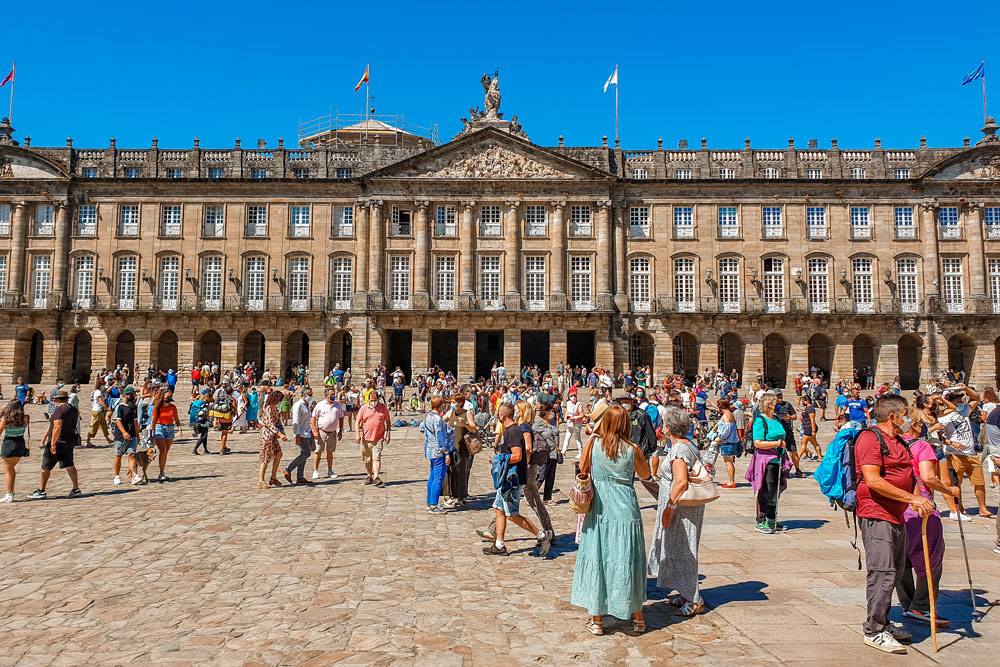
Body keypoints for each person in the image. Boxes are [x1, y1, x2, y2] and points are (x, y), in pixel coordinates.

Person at [855, 394, 933, 654]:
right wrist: (911, 498)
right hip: (876, 513)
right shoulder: (869, 438)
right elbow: (872, 480)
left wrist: (919, 500)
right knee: (883, 571)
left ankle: (884, 621)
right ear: (893, 416)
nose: (908, 418)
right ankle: (873, 630)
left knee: (896, 570)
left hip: (897, 514)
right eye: (906, 414)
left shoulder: (898, 440)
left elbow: (908, 475)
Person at [570, 403, 652, 635]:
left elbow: (583, 468)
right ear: (626, 424)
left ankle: (596, 620)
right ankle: (637, 617)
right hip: (625, 508)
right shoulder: (633, 449)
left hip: (599, 509)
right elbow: (646, 475)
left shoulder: (594, 444)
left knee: (599, 556)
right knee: (628, 559)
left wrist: (595, 435)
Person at [896, 405, 957, 627]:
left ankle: (907, 602)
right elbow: (929, 478)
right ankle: (921, 607)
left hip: (895, 505)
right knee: (932, 557)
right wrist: (950, 491)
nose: (923, 427)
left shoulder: (891, 444)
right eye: (921, 423)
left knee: (900, 557)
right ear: (915, 424)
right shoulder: (921, 445)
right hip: (921, 508)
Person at [649, 406, 707, 616]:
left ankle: (694, 600)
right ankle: (685, 592)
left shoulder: (680, 450)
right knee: (678, 549)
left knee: (685, 551)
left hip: (681, 510)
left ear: (668, 428)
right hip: (682, 508)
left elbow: (681, 482)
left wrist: (668, 508)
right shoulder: (685, 445)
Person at [937, 385, 993, 518]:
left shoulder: (964, 410)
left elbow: (976, 398)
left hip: (971, 453)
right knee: (957, 483)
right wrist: (951, 443)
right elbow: (939, 437)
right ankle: (959, 508)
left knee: (980, 482)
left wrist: (966, 389)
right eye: (958, 400)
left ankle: (983, 508)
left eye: (962, 399)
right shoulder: (942, 417)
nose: (962, 402)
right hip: (955, 454)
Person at [747, 393, 791, 534]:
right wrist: (776, 443)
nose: (777, 405)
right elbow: (758, 442)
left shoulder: (777, 419)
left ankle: (772, 518)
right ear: (768, 404)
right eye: (774, 403)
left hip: (779, 458)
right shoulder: (760, 421)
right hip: (766, 460)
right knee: (766, 489)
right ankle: (763, 518)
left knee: (776, 489)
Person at [517, 400, 555, 556]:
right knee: (507, 501)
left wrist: (522, 467)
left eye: (518, 409)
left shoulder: (525, 427)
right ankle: (493, 530)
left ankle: (548, 533)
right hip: (527, 468)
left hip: (527, 468)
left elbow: (528, 448)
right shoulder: (524, 425)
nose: (515, 411)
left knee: (533, 501)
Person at [28, 390, 81, 499]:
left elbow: (57, 427)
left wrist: (52, 444)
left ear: (56, 400)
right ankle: (76, 488)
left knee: (46, 466)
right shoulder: (73, 409)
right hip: (69, 440)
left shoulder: (59, 411)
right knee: (69, 464)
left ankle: (41, 490)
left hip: (58, 442)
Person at [420, 396, 454, 515]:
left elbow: (421, 428)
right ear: (440, 406)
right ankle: (434, 504)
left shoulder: (428, 417)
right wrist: (446, 453)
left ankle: (429, 502)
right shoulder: (438, 419)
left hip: (430, 449)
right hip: (438, 451)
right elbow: (440, 437)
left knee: (432, 477)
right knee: (438, 478)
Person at [356, 390, 391, 487]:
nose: (373, 402)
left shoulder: (383, 408)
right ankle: (369, 476)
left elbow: (388, 421)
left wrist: (388, 434)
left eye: (375, 400)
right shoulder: (364, 408)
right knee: (367, 459)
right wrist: (357, 434)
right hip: (366, 438)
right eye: (371, 400)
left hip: (378, 438)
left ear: (378, 399)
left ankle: (376, 477)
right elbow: (357, 421)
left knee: (376, 457)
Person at [283, 387, 315, 485]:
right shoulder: (298, 405)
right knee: (306, 453)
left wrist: (312, 432)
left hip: (307, 432)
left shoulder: (306, 405)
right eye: (309, 394)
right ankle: (288, 469)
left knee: (307, 451)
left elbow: (307, 420)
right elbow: (295, 422)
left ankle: (300, 477)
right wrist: (297, 435)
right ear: (303, 394)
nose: (311, 396)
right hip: (300, 433)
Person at [149, 388, 182, 482]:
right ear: (162, 397)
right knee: (162, 450)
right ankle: (161, 472)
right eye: (168, 396)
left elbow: (176, 419)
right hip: (159, 428)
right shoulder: (157, 408)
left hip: (170, 428)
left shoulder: (173, 407)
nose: (169, 398)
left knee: (165, 452)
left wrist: (179, 429)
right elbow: (153, 421)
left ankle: (161, 471)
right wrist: (151, 433)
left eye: (170, 396)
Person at [310, 388, 344, 480]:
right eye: (331, 394)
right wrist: (315, 431)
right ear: (326, 395)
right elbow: (313, 418)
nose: (333, 396)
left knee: (330, 452)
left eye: (334, 394)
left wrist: (340, 430)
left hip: (332, 432)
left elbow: (341, 417)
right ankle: (315, 470)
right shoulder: (320, 405)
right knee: (318, 451)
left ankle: (330, 470)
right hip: (322, 431)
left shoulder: (338, 405)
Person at [0, 399, 30, 502]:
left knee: (8, 471)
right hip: (20, 444)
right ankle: (10, 492)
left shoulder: (6, 419)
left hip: (9, 444)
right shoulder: (26, 418)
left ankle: (9, 494)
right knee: (11, 470)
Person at [257, 389, 287, 488]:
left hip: (273, 436)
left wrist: (282, 432)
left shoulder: (275, 409)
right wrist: (279, 434)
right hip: (266, 436)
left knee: (279, 454)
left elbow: (278, 422)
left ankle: (273, 477)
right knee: (266, 457)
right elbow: (269, 423)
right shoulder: (269, 408)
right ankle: (261, 480)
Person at [111, 387, 140, 485]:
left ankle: (134, 476)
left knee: (132, 455)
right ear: (126, 395)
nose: (134, 396)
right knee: (118, 455)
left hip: (132, 435)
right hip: (121, 436)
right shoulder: (120, 407)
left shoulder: (134, 407)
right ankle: (117, 475)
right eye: (132, 395)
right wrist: (124, 432)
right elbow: (117, 420)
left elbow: (135, 421)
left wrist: (137, 434)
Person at [713, 399, 740, 488]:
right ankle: (731, 480)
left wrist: (720, 438)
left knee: (728, 462)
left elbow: (726, 431)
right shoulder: (730, 414)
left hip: (727, 442)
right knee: (730, 462)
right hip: (732, 441)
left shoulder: (726, 416)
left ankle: (731, 481)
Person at [86, 379, 112, 447]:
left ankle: (108, 439)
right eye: (103, 384)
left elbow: (106, 390)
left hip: (100, 411)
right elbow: (101, 401)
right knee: (94, 426)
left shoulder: (98, 391)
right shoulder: (98, 392)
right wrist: (107, 409)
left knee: (103, 425)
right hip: (97, 411)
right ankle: (87, 441)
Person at [562, 388, 586, 459]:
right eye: (572, 396)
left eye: (574, 396)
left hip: (577, 423)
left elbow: (582, 414)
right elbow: (566, 411)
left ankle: (580, 452)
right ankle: (563, 451)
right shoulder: (568, 403)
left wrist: (575, 418)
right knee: (567, 437)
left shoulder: (579, 404)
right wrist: (565, 418)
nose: (573, 397)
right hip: (569, 423)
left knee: (577, 438)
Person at [211, 384, 234, 455]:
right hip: (227, 418)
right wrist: (236, 415)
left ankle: (224, 446)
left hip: (221, 417)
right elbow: (234, 409)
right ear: (232, 392)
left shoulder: (222, 398)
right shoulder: (232, 399)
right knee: (225, 434)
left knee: (223, 433)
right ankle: (222, 449)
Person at [799, 396, 822, 461]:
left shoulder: (810, 409)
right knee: (814, 443)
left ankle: (798, 457)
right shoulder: (807, 408)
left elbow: (812, 420)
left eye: (803, 401)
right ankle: (820, 456)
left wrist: (813, 430)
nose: (802, 402)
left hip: (809, 428)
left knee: (803, 443)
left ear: (807, 401)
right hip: (806, 427)